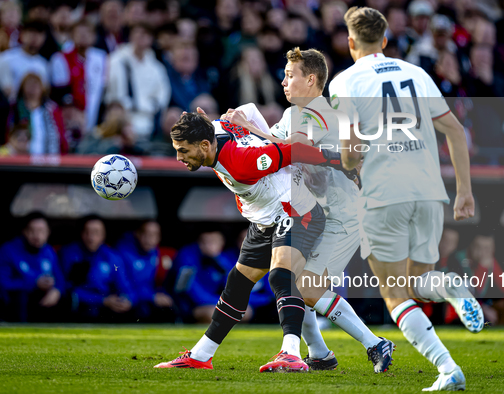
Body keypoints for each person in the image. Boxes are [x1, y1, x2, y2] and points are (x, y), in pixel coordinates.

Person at [331, 7, 483, 391]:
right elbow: (455, 129)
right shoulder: (417, 73)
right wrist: (463, 191)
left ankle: (447, 368)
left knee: (395, 291)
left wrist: (350, 159)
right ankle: (448, 286)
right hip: (430, 191)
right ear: (385, 40)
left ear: (351, 42)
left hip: (384, 194)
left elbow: (349, 152)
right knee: (417, 282)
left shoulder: (345, 82)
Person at [223, 47, 394, 373]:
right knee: (294, 281)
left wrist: (248, 125)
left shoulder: (318, 113)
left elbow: (293, 149)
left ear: (311, 79)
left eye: (291, 75)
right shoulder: (292, 115)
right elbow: (268, 148)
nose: (284, 81)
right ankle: (319, 353)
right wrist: (223, 130)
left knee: (306, 286)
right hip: (319, 213)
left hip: (343, 215)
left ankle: (374, 343)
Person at [154, 107, 353, 372]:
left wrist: (339, 162)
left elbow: (294, 151)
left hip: (294, 209)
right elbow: (244, 110)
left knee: (282, 276)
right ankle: (201, 355)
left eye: (183, 150)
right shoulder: (215, 128)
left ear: (204, 145)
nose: (179, 157)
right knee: (237, 283)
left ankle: (291, 353)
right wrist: (223, 119)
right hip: (266, 216)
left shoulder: (241, 164)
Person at [59, 216, 134, 322]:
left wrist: (127, 300)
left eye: (96, 233)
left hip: (108, 305)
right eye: (87, 232)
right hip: (83, 305)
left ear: (103, 235)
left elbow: (124, 286)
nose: (91, 238)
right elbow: (68, 290)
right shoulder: (70, 254)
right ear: (81, 233)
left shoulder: (112, 257)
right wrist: (102, 300)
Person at [105, 23, 171, 140]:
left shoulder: (157, 68)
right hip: (120, 120)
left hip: (147, 120)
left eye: (145, 34)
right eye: (138, 33)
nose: (141, 37)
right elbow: (109, 91)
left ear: (151, 39)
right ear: (131, 36)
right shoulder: (116, 60)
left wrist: (150, 106)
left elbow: (162, 96)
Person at [0, 212, 64, 322]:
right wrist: (34, 283)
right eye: (32, 231)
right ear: (24, 232)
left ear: (48, 232)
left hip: (44, 300)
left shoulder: (49, 251)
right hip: (17, 303)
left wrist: (57, 290)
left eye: (41, 231)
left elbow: (60, 280)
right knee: (20, 297)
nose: (37, 236)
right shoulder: (8, 250)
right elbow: (3, 283)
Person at [50, 19, 108, 134]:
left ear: (94, 36)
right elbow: (62, 93)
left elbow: (104, 86)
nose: (83, 36)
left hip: (95, 112)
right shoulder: (60, 58)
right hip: (71, 116)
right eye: (79, 33)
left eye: (87, 33)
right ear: (72, 36)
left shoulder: (101, 57)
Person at [116, 220, 175, 322]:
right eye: (146, 234)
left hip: (146, 297)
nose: (150, 239)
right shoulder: (122, 253)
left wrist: (159, 295)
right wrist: (152, 297)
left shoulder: (155, 253)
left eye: (155, 235)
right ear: (137, 234)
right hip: (130, 299)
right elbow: (124, 286)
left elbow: (151, 283)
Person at [8, 73, 68, 155]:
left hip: (49, 157)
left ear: (42, 88)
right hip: (21, 158)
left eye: (35, 84)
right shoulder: (16, 109)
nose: (32, 88)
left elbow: (61, 136)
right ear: (23, 88)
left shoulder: (52, 109)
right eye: (29, 84)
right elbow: (9, 133)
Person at [0, 20, 48, 100]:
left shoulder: (44, 65)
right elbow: (6, 91)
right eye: (31, 32)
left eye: (39, 33)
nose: (35, 37)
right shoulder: (6, 58)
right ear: (22, 35)